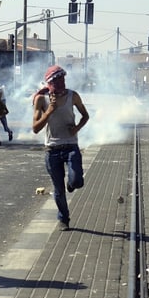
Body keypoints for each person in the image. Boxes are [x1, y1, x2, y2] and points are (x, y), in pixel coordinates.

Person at [32, 65, 90, 231]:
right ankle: (64, 218)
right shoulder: (41, 100)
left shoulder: (73, 96)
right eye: (57, 81)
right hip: (52, 149)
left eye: (62, 79)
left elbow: (85, 115)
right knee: (58, 189)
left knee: (77, 180)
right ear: (50, 83)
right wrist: (49, 110)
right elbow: (35, 128)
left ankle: (72, 184)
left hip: (71, 145)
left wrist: (77, 128)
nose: (61, 83)